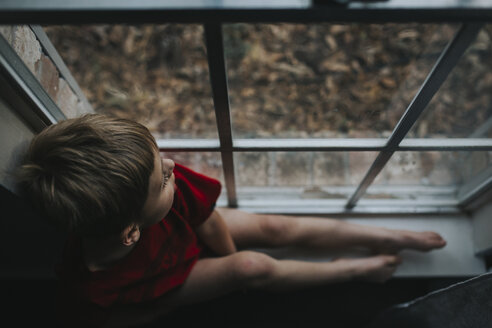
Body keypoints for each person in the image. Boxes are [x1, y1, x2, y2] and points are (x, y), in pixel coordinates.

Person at [17, 114, 447, 328]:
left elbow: (210, 225)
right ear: (131, 230)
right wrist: (232, 271)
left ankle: (388, 234)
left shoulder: (158, 189)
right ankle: (352, 270)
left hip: (184, 235)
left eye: (158, 156)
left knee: (273, 230)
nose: (171, 163)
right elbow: (125, 314)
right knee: (252, 267)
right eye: (161, 175)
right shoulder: (94, 283)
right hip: (163, 280)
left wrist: (225, 256)